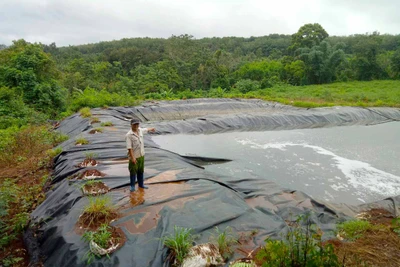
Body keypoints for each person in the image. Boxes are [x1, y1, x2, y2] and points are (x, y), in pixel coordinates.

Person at [125, 118, 155, 192]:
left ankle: (141, 185)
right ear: (131, 125)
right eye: (134, 124)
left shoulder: (140, 130)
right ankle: (132, 186)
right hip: (134, 156)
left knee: (140, 171)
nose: (136, 125)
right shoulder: (129, 135)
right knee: (133, 171)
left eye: (137, 124)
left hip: (141, 155)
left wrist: (151, 129)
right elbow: (129, 148)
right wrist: (133, 158)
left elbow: (146, 129)